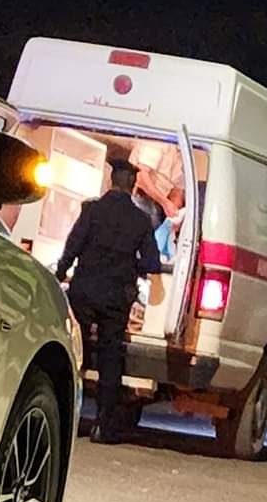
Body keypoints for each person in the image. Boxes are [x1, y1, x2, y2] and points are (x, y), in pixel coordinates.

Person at [56, 158, 163, 444]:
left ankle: (64, 416)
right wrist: (131, 268)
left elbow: (73, 245)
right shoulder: (141, 221)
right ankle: (102, 426)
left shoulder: (91, 210)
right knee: (110, 359)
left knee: (74, 350)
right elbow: (151, 262)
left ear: (111, 181)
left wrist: (60, 273)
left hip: (84, 290)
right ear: (132, 185)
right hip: (116, 297)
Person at [129, 139, 184, 227]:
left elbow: (177, 191)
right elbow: (141, 178)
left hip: (159, 206)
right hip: (141, 200)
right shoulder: (158, 142)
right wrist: (165, 203)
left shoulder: (183, 154)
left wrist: (174, 217)